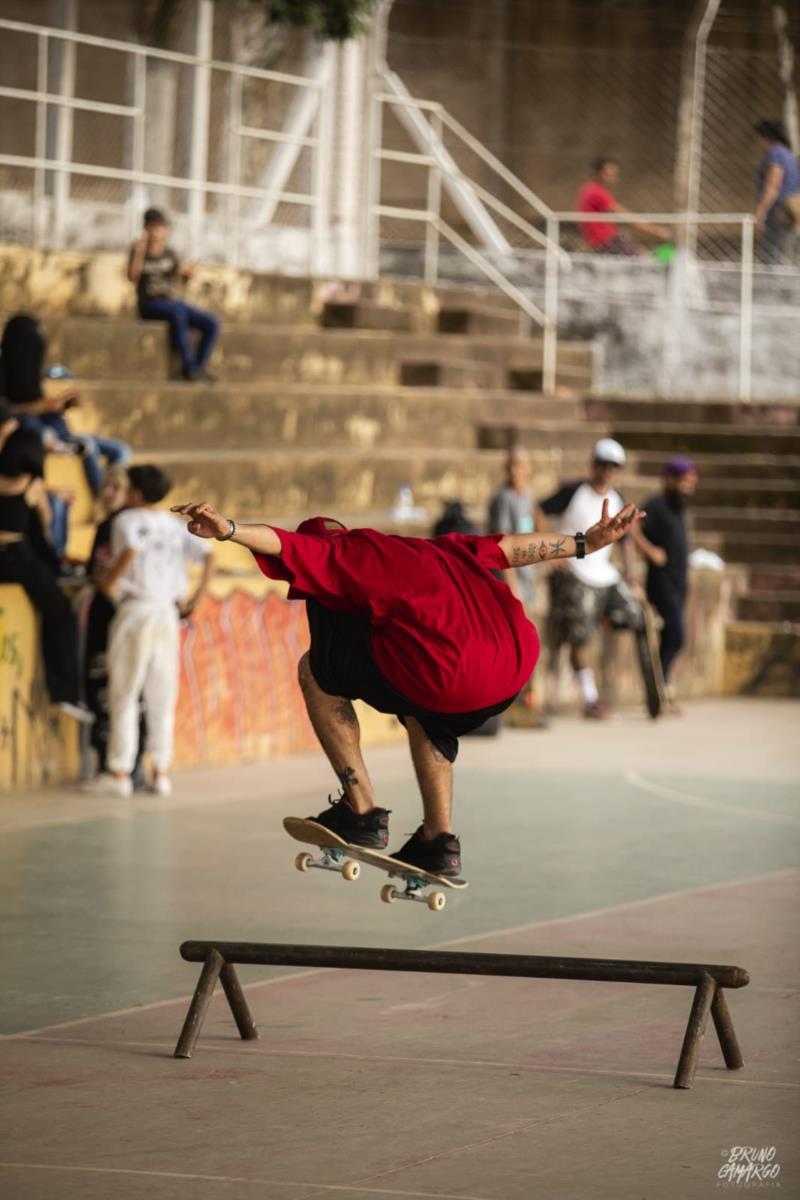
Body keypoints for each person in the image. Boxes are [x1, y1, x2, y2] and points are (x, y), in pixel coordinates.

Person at [169, 497, 644, 874]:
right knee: (423, 705)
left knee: (315, 671)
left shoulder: (345, 554)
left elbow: (283, 545)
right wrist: (585, 542)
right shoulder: (438, 548)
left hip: (451, 674)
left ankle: (362, 812)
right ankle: (439, 841)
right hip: (512, 669)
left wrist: (228, 529)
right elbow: (513, 548)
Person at [83, 466, 213, 798]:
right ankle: (160, 771)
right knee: (161, 693)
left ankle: (119, 772)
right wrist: (196, 597)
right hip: (166, 613)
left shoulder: (125, 521)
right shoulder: (172, 525)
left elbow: (129, 552)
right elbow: (208, 555)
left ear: (136, 493)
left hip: (135, 610)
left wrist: (108, 584)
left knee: (125, 692)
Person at [540, 438, 643, 719]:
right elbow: (538, 510)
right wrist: (551, 553)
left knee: (637, 616)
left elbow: (626, 542)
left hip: (606, 576)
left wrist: (632, 576)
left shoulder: (618, 496)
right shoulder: (574, 491)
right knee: (580, 639)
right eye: (603, 464)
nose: (607, 471)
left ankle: (649, 690)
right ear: (593, 465)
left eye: (613, 466)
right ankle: (591, 698)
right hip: (577, 572)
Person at [0, 419, 90, 723]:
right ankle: (64, 692)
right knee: (59, 612)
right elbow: (48, 527)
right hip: (15, 556)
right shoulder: (33, 486)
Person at [0, 315, 131, 499]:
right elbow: (7, 412)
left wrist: (61, 404)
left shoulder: (29, 371)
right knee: (87, 445)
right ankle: (104, 497)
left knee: (121, 451)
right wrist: (40, 406)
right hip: (32, 433)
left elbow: (35, 402)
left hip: (55, 430)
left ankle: (112, 489)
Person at [83, 466, 147, 784]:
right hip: (103, 613)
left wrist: (110, 585)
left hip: (122, 613)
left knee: (130, 688)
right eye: (106, 486)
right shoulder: (106, 525)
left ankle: (128, 765)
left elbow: (131, 563)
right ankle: (108, 761)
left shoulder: (128, 525)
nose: (108, 493)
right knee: (101, 686)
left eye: (116, 487)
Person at [631, 457, 697, 711]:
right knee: (676, 636)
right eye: (684, 481)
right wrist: (650, 551)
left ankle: (660, 690)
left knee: (673, 636)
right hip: (661, 583)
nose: (688, 487)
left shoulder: (679, 509)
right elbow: (632, 527)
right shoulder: (656, 506)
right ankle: (662, 686)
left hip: (679, 583)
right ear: (670, 480)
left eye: (691, 482)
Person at [488, 446, 548, 720]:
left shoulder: (528, 497)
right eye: (512, 465)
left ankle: (529, 700)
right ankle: (514, 701)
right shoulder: (503, 498)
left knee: (529, 640)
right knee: (514, 641)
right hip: (511, 583)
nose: (516, 471)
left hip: (528, 580)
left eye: (521, 465)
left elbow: (534, 527)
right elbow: (501, 546)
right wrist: (513, 589)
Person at [128, 209, 220, 382]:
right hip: (149, 305)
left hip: (171, 304)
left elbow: (180, 280)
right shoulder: (138, 250)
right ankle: (188, 366)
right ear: (146, 228)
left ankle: (198, 368)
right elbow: (132, 277)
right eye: (153, 228)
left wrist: (188, 275)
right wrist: (139, 252)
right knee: (179, 311)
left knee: (211, 323)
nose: (157, 233)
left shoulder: (170, 254)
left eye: (161, 228)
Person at [576, 159, 670, 255]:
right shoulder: (597, 192)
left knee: (646, 252)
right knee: (649, 256)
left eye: (614, 175)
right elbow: (624, 214)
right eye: (609, 175)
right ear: (598, 174)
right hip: (605, 240)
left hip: (604, 239)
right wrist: (656, 230)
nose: (613, 179)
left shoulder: (589, 188)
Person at [754, 119, 800, 265]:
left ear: (765, 136)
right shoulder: (787, 153)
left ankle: (775, 285)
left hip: (778, 211)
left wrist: (761, 211)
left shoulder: (775, 154)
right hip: (791, 210)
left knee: (771, 255)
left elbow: (773, 186)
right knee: (785, 253)